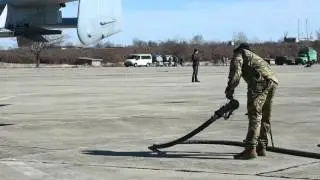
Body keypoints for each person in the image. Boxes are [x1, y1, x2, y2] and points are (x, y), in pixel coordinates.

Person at [224, 43, 279, 160]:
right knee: (265, 114)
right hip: (273, 81)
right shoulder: (254, 56)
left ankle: (250, 149)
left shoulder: (239, 55)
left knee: (255, 114)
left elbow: (235, 75)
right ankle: (262, 147)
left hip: (259, 82)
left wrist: (229, 90)